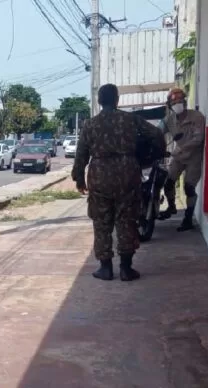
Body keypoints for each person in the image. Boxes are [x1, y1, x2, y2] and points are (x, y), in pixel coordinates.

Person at [72, 83, 165, 282]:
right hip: (127, 174)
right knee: (127, 221)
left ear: (99, 101)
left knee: (102, 223)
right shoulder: (131, 120)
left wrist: (79, 179)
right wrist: (150, 156)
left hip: (100, 176)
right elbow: (157, 134)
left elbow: (81, 155)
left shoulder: (90, 124)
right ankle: (126, 268)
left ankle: (105, 268)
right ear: (117, 100)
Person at [157, 87, 206, 231]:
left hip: (193, 157)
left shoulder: (197, 117)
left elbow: (198, 139)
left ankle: (188, 219)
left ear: (184, 101)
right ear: (169, 105)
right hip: (178, 157)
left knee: (189, 188)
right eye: (174, 101)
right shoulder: (169, 120)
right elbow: (157, 132)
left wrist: (181, 149)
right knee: (168, 183)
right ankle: (171, 207)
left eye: (180, 100)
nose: (178, 103)